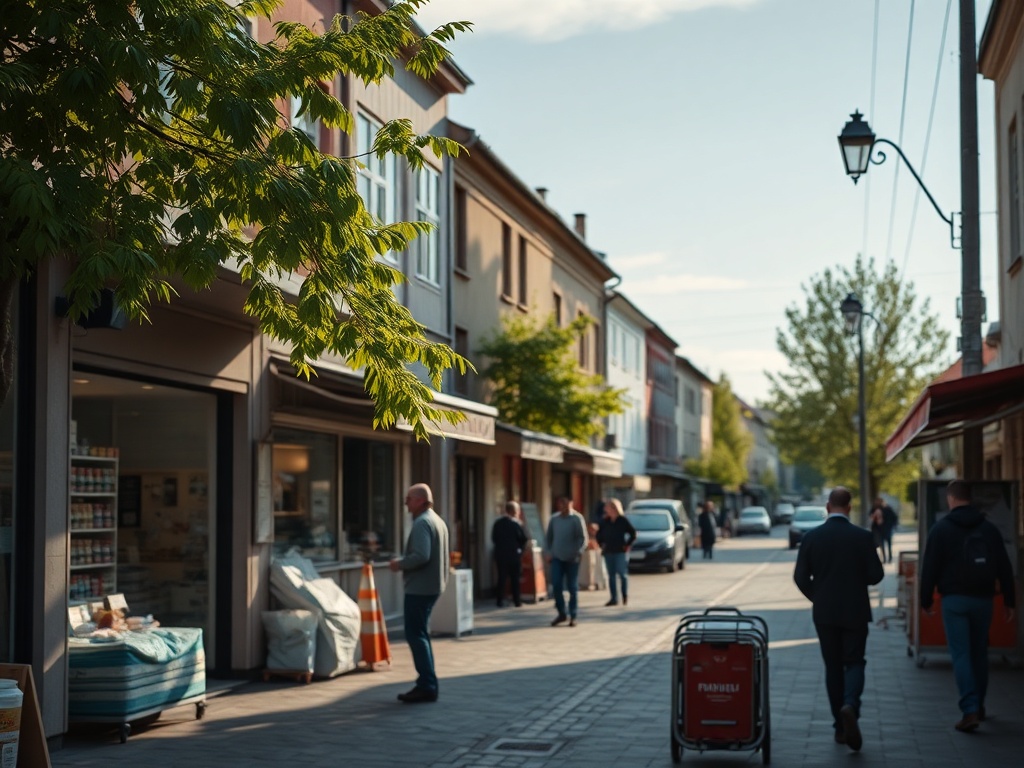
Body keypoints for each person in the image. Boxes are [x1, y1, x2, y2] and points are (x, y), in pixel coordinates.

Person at [918, 480, 1016, 733]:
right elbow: (1004, 566)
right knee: (979, 653)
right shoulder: (989, 529)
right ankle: (979, 705)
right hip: (984, 599)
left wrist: (925, 600)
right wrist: (1010, 601)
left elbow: (929, 568)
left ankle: (969, 708)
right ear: (970, 498)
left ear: (951, 499)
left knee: (961, 654)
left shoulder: (940, 529)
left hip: (954, 600)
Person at [794, 487, 883, 752]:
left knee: (832, 667)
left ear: (827, 507)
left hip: (825, 614)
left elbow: (800, 577)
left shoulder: (812, 537)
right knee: (854, 661)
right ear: (850, 507)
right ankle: (851, 705)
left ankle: (839, 727)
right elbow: (876, 575)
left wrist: (818, 596)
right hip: (855, 610)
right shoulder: (863, 537)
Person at [389, 483, 450, 703]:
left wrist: (400, 564)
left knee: (416, 635)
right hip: (431, 586)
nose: (406, 502)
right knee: (421, 634)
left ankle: (426, 684)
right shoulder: (436, 520)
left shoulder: (422, 523)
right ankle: (428, 682)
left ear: (421, 501)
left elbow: (422, 555)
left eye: (409, 498)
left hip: (421, 588)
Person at [544, 495, 588, 627]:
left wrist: (579, 552)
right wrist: (548, 552)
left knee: (572, 587)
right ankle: (561, 612)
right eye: (560, 503)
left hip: (572, 558)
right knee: (556, 585)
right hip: (557, 557)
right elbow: (548, 538)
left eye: (565, 503)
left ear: (571, 503)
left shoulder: (576, 518)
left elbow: (582, 538)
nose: (562, 505)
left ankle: (573, 615)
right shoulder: (554, 519)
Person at [596, 498, 636, 606]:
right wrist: (601, 544)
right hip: (608, 551)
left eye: (608, 507)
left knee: (622, 574)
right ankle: (614, 598)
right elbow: (599, 535)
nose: (606, 509)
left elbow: (633, 533)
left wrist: (627, 545)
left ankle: (624, 595)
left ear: (614, 508)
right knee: (611, 575)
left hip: (620, 551)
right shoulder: (605, 521)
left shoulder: (623, 520)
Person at [492, 500, 528, 607]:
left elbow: (494, 538)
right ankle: (517, 601)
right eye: (517, 510)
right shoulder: (517, 524)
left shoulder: (498, 523)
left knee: (501, 577)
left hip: (500, 554)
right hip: (514, 555)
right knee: (515, 578)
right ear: (513, 511)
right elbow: (524, 539)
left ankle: (500, 600)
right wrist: (520, 550)